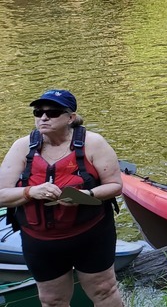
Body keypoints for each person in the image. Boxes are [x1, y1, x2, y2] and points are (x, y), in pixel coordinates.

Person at [0, 90, 124, 307]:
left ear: (70, 118)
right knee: (52, 300)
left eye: (53, 112)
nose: (43, 117)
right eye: (38, 112)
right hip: (40, 241)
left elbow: (115, 186)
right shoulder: (22, 147)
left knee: (104, 291)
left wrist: (86, 195)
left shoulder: (93, 143)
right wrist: (31, 192)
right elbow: (1, 195)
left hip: (91, 235)